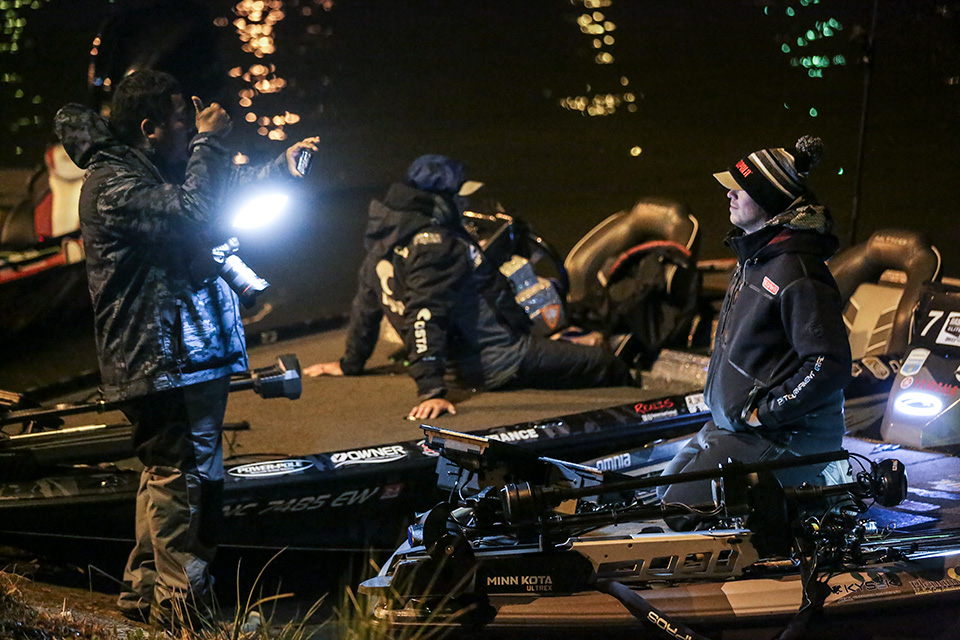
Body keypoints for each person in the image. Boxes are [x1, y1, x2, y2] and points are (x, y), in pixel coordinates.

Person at [54, 70, 318, 626]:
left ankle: (146, 593)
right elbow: (196, 210)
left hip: (182, 359)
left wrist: (280, 168)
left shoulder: (150, 169)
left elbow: (216, 190)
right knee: (188, 484)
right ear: (150, 128)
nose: (195, 124)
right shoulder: (115, 185)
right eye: (184, 119)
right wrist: (211, 141)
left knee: (168, 475)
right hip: (162, 362)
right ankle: (183, 613)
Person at [304, 155, 632, 419]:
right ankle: (638, 411)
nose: (464, 203)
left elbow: (366, 307)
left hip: (462, 361)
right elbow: (425, 314)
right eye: (459, 196)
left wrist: (350, 363)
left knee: (564, 341)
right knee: (605, 362)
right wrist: (431, 390)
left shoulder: (384, 239)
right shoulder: (438, 245)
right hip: (498, 361)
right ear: (441, 200)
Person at [657, 136, 852, 524]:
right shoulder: (756, 256)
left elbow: (828, 364)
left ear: (768, 199)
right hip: (735, 426)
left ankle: (816, 491)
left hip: (785, 435)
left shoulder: (798, 272)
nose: (729, 194)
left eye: (740, 188)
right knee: (664, 496)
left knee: (682, 513)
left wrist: (767, 413)